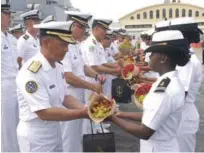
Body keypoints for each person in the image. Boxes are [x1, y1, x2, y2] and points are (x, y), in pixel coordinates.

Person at [110, 30, 189, 152]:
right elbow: (150, 116)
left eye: (152, 53)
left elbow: (145, 132)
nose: (149, 57)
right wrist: (121, 114)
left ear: (163, 58)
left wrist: (112, 119)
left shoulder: (164, 91)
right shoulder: (167, 81)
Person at [16, 21, 89, 152]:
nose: (66, 49)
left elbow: (65, 97)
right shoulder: (32, 72)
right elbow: (44, 113)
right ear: (46, 43)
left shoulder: (57, 66)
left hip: (54, 129)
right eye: (63, 44)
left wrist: (88, 109)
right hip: (36, 136)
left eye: (67, 44)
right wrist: (82, 113)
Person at [61, 11, 105, 152]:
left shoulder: (76, 45)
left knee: (79, 133)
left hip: (79, 92)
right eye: (82, 27)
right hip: (69, 94)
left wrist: (97, 77)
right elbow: (68, 76)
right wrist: (92, 85)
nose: (85, 30)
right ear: (73, 26)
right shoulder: (64, 46)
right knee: (70, 135)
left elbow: (84, 67)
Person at [167, 17, 203, 152]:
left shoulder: (189, 61)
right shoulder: (181, 58)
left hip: (183, 115)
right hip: (178, 114)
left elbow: (181, 92)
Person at [81, 18, 121, 133]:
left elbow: (103, 63)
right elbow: (95, 67)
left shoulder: (97, 43)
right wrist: (114, 70)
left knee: (99, 103)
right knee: (92, 105)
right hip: (92, 79)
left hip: (99, 78)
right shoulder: (91, 44)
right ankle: (95, 129)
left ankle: (99, 125)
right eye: (103, 29)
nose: (105, 32)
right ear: (96, 29)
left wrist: (116, 67)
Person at [1, 2, 20, 152]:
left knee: (17, 121)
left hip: (16, 83)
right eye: (6, 14)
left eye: (9, 15)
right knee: (6, 123)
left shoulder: (12, 39)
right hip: (4, 85)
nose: (10, 17)